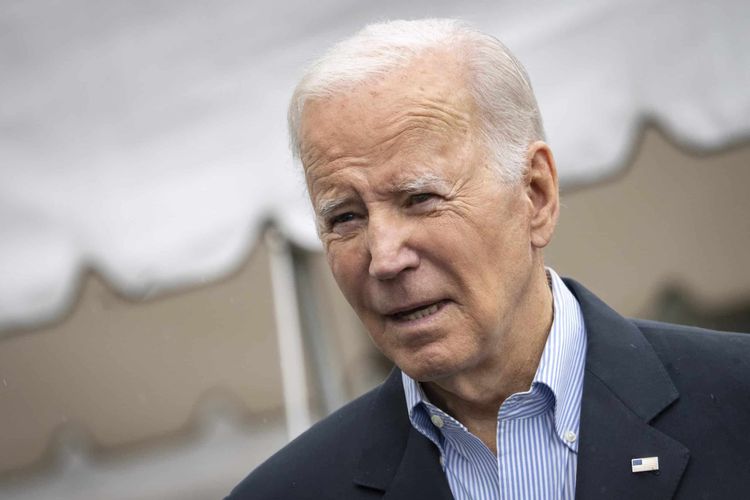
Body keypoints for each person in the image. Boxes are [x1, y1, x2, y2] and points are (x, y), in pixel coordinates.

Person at [227, 19, 750, 499]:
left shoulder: (736, 400)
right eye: (345, 218)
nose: (384, 258)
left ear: (536, 194)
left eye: (420, 198)